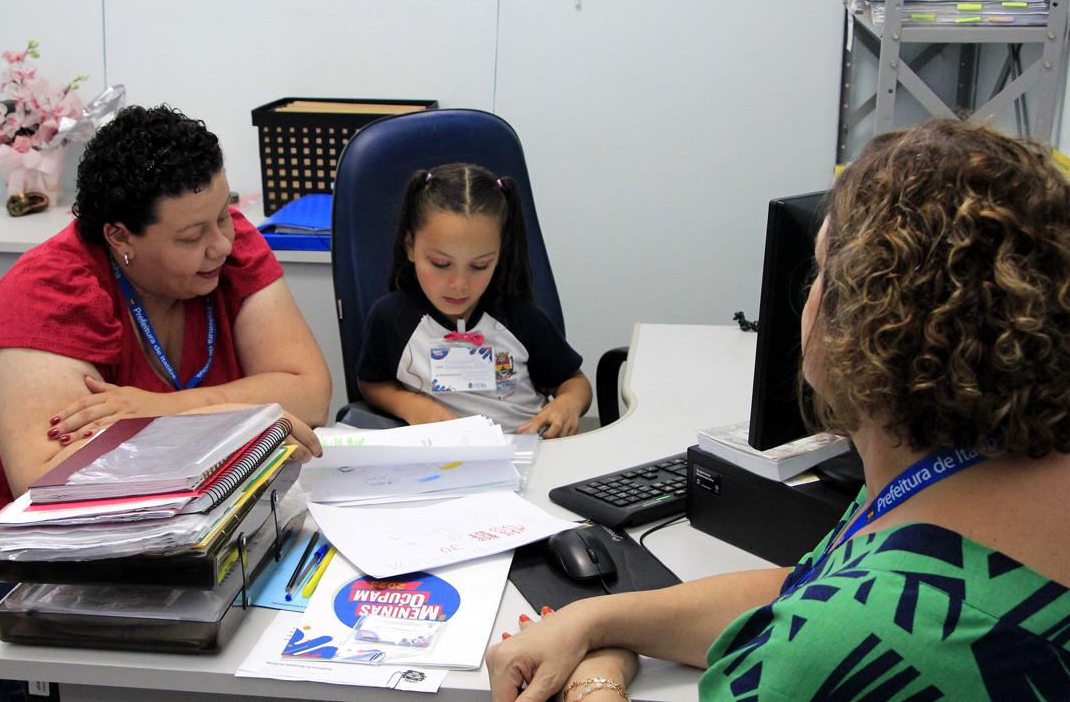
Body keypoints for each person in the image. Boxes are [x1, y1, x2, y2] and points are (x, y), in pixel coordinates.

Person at [486, 119, 1070, 700]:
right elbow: (799, 591)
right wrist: (594, 621)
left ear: (863, 324)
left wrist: (598, 680)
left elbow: (819, 630)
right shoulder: (950, 471)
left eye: (818, 272)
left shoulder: (849, 645)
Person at [0, 105, 331, 696]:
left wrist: (160, 409)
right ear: (120, 236)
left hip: (152, 524)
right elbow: (56, 485)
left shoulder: (227, 246)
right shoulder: (49, 291)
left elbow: (307, 390)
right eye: (191, 235)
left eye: (224, 215)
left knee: (227, 646)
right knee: (68, 677)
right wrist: (249, 419)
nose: (222, 244)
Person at [356, 162, 592, 438]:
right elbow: (371, 382)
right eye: (441, 263)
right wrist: (413, 406)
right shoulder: (392, 318)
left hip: (528, 449)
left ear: (499, 255)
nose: (459, 284)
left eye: (479, 266)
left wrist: (567, 404)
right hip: (444, 459)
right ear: (410, 246)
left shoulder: (519, 316)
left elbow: (574, 382)